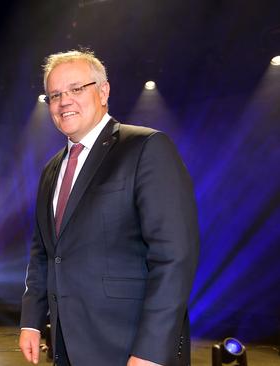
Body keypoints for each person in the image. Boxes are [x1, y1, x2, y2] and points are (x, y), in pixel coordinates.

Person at [19, 50, 199, 365]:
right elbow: (44, 254)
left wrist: (150, 351)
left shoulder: (146, 147)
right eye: (55, 95)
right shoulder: (51, 169)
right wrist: (31, 320)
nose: (64, 101)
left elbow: (175, 257)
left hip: (130, 347)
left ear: (104, 91)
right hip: (68, 345)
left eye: (76, 89)